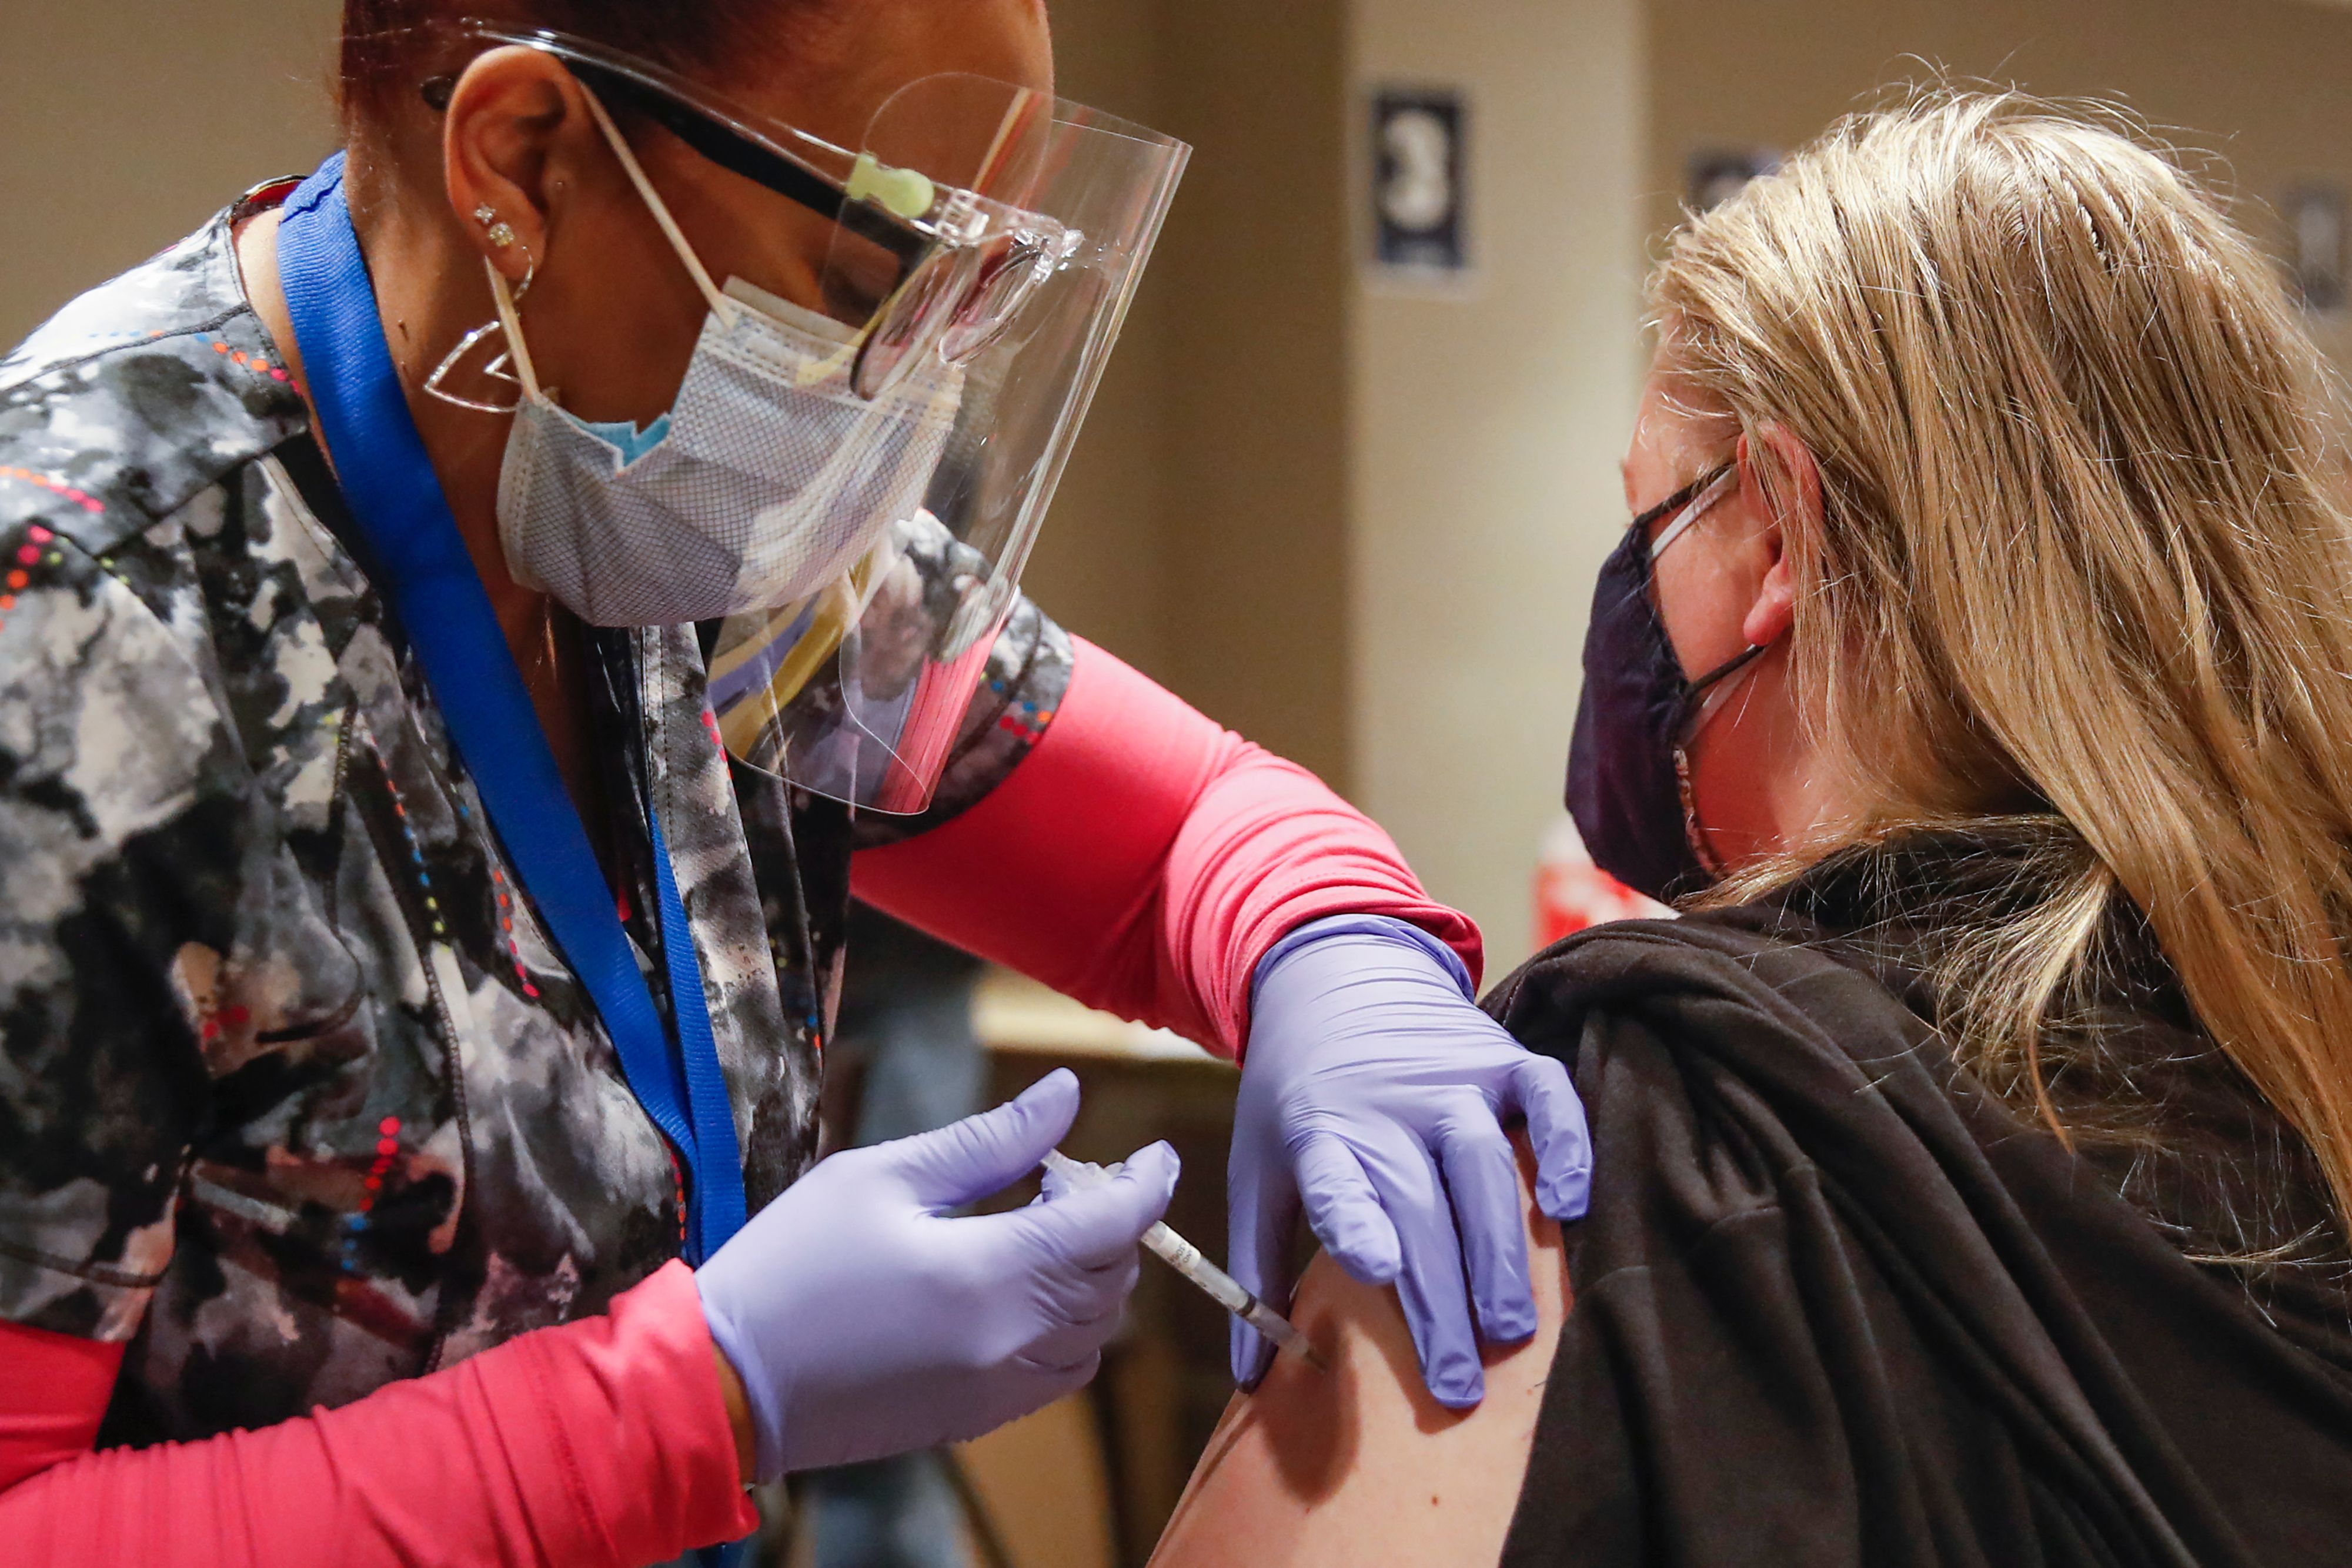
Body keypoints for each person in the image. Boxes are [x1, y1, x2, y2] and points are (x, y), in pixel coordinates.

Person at [0, 2, 1596, 1562]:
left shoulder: (689, 522)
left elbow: (1184, 832)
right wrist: (689, 1400)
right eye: (860, 284)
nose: (899, 386)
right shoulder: (84, 619)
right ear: (527, 155)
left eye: (972, 294)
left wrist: (1336, 951)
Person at [1151, 95, 2352, 1567]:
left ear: (1776, 538)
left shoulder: (1624, 1126)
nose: (1621, 594)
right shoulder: (2303, 1057)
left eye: (1650, 519)